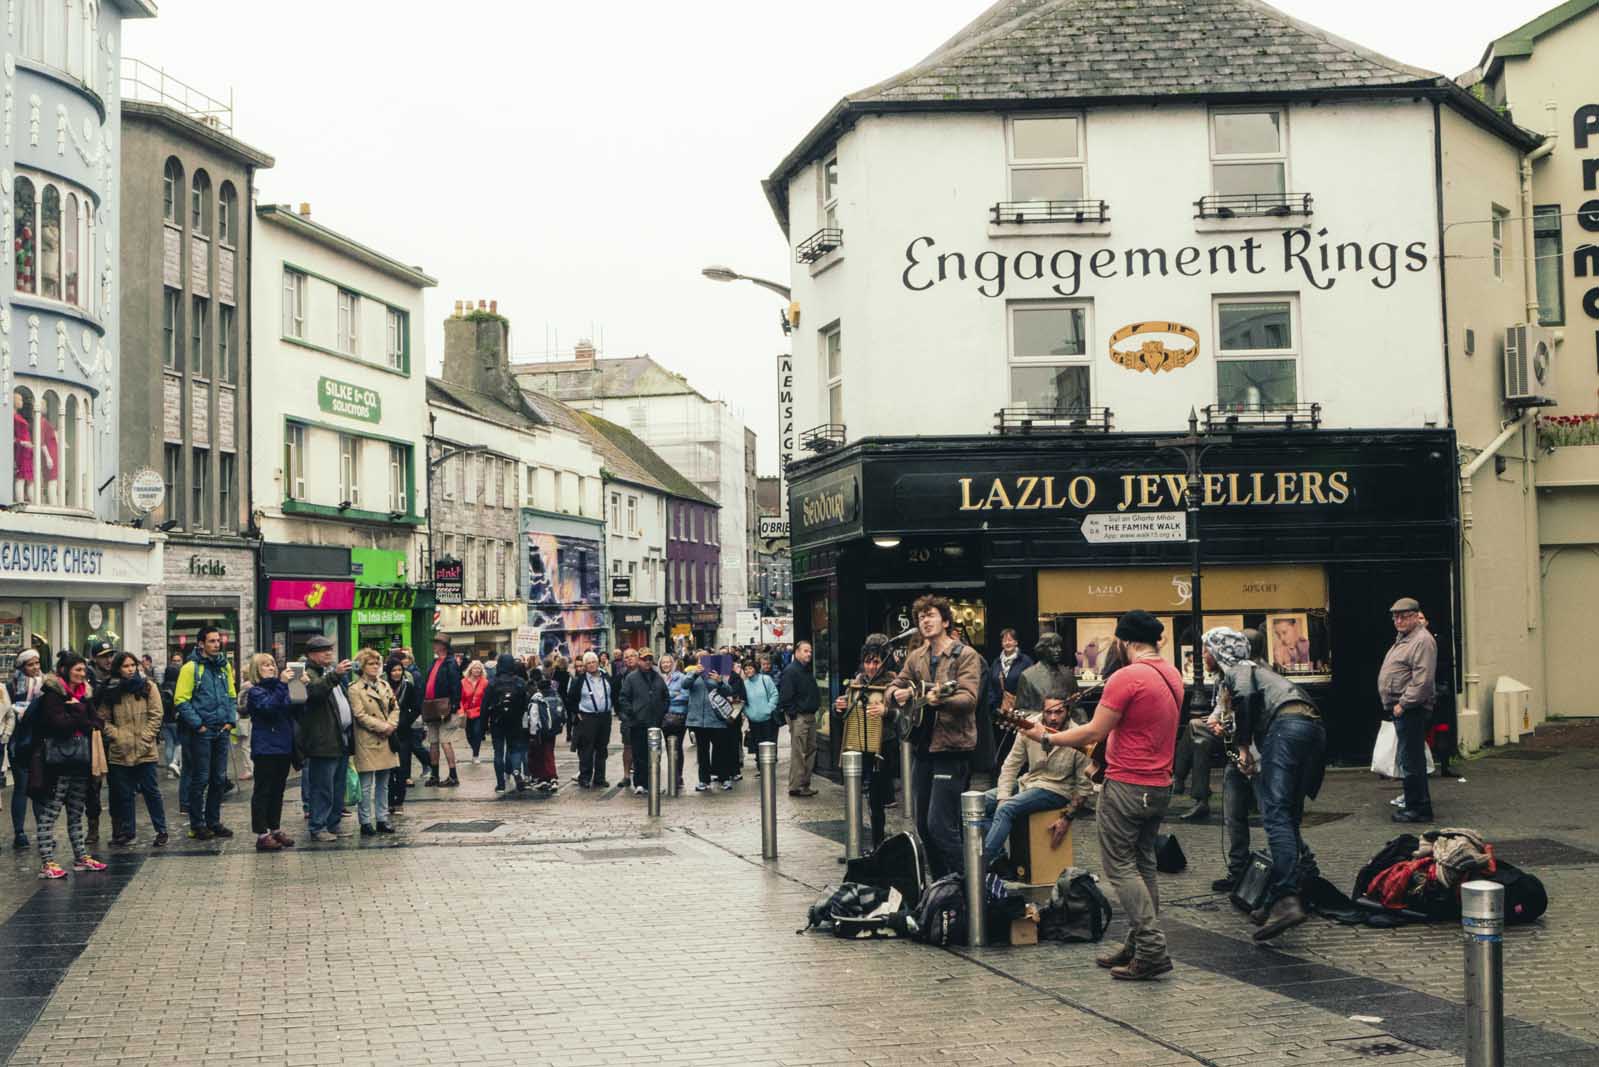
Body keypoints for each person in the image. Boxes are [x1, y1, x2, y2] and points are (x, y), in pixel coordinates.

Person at [1018, 609, 1182, 981]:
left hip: (1126, 784)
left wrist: (1047, 736)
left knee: (1121, 868)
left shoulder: (1127, 677)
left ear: (1124, 641)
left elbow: (1093, 732)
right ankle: (1138, 943)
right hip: (1159, 785)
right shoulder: (1171, 674)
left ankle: (1152, 949)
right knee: (1144, 865)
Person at [1201, 626, 1324, 940]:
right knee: (1289, 816)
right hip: (1308, 725)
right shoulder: (1249, 673)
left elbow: (1244, 696)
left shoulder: (1240, 669)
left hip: (1286, 726)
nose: (1203, 656)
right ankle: (1273, 899)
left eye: (1206, 650)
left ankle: (1285, 898)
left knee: (1276, 814)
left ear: (1219, 652)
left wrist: (1242, 746)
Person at [886, 596, 984, 877]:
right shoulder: (916, 656)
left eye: (931, 616)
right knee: (922, 826)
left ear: (945, 620)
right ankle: (944, 885)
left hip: (952, 750)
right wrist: (898, 694)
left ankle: (970, 886)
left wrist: (938, 699)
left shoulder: (964, 656)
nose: (925, 621)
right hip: (923, 748)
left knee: (941, 826)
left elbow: (969, 698)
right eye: (921, 618)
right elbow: (896, 684)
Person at [981, 681, 1092, 868]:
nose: (1053, 718)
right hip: (1028, 783)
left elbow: (1084, 785)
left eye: (1059, 712)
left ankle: (979, 868)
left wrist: (1067, 817)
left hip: (1056, 789)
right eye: (1049, 712)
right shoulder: (1029, 725)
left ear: (1068, 711)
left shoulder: (1078, 735)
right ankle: (998, 858)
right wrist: (1002, 796)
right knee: (978, 803)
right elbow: (1010, 766)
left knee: (1007, 809)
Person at [28, 653, 107, 878]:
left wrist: (78, 711)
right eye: (77, 670)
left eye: (84, 670)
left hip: (80, 762)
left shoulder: (85, 696)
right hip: (56, 764)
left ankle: (81, 857)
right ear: (64, 670)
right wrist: (80, 714)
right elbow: (58, 725)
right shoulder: (52, 696)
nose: (82, 675)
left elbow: (97, 723)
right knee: (50, 811)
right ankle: (47, 862)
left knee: (76, 811)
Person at [834, 635, 900, 848]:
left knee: (876, 799)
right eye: (868, 661)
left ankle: (878, 844)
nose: (871, 666)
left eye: (876, 661)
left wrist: (887, 711)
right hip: (859, 746)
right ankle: (855, 845)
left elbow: (905, 716)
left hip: (883, 746)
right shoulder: (857, 683)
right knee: (856, 796)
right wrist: (839, 708)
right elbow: (845, 717)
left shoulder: (893, 682)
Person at [97, 651, 168, 848]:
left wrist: (145, 738)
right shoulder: (110, 689)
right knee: (124, 794)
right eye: (125, 666)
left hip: (145, 749)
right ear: (118, 668)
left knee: (151, 792)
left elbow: (156, 715)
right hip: (120, 750)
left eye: (132, 665)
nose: (130, 669)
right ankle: (128, 832)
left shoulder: (147, 686)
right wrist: (118, 736)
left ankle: (161, 830)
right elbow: (102, 719)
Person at [174, 627, 237, 842]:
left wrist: (230, 721)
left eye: (218, 641)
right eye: (211, 641)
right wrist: (198, 725)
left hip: (221, 730)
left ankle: (213, 821)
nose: (216, 644)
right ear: (201, 643)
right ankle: (197, 824)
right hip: (201, 732)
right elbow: (181, 699)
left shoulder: (224, 666)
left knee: (218, 779)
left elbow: (231, 695)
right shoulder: (190, 667)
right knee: (200, 779)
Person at [1379, 597, 1437, 823]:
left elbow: (1422, 680)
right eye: (1395, 616)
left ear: (1415, 616)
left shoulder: (1421, 640)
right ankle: (1415, 805)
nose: (1398, 620)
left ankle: (1418, 809)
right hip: (1405, 708)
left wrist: (1403, 704)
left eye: (1403, 616)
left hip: (1411, 709)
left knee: (1412, 761)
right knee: (1409, 759)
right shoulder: (1406, 638)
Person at [298, 635, 354, 842]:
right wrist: (336, 675)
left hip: (340, 738)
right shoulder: (307, 673)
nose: (329, 653)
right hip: (322, 740)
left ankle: (333, 823)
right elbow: (314, 693)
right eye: (324, 651)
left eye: (330, 649)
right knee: (323, 787)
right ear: (311, 655)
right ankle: (318, 826)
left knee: (338, 786)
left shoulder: (331, 674)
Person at [243, 653, 296, 851]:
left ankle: (274, 827)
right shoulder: (256, 691)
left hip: (283, 746)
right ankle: (262, 833)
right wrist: (282, 685)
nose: (271, 668)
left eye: (272, 664)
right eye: (265, 665)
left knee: (277, 791)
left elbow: (295, 707)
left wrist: (299, 685)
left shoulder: (281, 688)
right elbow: (269, 708)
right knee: (263, 791)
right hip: (266, 748)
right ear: (257, 670)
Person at [349, 649, 400, 836]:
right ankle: (365, 821)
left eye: (377, 663)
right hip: (367, 739)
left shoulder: (385, 685)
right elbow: (360, 715)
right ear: (362, 666)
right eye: (371, 664)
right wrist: (382, 727)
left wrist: (391, 725)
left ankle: (382, 818)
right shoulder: (355, 688)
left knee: (384, 783)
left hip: (386, 739)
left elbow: (395, 707)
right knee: (366, 785)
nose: (375, 667)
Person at [8, 647, 45, 848]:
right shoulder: (11, 686)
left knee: (40, 787)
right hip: (19, 742)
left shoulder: (46, 684)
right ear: (22, 666)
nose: (35, 667)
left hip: (38, 743)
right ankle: (19, 832)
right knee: (21, 788)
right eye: (30, 664)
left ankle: (43, 830)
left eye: (37, 663)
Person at [683, 653, 735, 792]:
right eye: (700, 660)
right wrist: (695, 674)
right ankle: (703, 780)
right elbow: (685, 685)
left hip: (716, 719)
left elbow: (729, 691)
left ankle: (724, 778)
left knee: (720, 750)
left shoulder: (718, 672)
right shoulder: (691, 673)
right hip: (699, 721)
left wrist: (719, 681)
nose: (703, 663)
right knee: (702, 752)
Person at [621, 650, 668, 796]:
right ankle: (640, 783)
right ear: (639, 661)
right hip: (638, 723)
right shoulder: (631, 678)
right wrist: (632, 713)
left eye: (650, 659)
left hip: (654, 723)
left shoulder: (657, 677)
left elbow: (665, 697)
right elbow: (623, 698)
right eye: (644, 659)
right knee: (639, 754)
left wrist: (662, 712)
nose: (647, 661)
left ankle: (652, 783)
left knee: (654, 754)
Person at [778, 640, 821, 797]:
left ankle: (804, 784)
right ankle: (795, 786)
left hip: (809, 715)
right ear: (797, 652)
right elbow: (785, 697)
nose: (809, 654)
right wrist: (794, 715)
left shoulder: (806, 669)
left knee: (811, 750)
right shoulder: (791, 671)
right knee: (799, 752)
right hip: (799, 717)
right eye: (805, 651)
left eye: (810, 651)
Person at [385, 655, 429, 810]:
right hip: (387, 730)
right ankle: (390, 800)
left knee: (403, 766)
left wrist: (406, 720)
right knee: (389, 769)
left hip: (404, 731)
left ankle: (399, 801)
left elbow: (416, 707)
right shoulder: (384, 686)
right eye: (394, 670)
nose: (397, 673)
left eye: (399, 670)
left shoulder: (407, 686)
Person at [484, 654, 531, 793]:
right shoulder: (520, 682)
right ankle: (516, 771)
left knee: (498, 752)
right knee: (515, 749)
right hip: (515, 721)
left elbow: (485, 705)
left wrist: (483, 724)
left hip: (497, 722)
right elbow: (525, 703)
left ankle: (500, 784)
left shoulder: (492, 682)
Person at [567, 651, 614, 788]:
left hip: (604, 717)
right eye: (588, 663)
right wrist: (577, 712)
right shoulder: (579, 680)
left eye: (593, 662)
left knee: (602, 748)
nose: (591, 665)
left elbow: (614, 693)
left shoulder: (606, 676)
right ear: (585, 666)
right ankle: (585, 777)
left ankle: (600, 777)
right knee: (586, 749)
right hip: (588, 717)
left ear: (598, 662)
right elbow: (570, 698)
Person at [423, 636, 462, 787]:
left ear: (443, 646)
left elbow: (456, 686)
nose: (434, 646)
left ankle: (453, 775)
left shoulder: (450, 663)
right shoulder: (435, 662)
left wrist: (453, 707)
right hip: (431, 707)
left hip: (444, 707)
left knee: (445, 741)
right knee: (433, 742)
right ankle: (434, 774)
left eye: (436, 643)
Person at [740, 658, 779, 772]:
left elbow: (774, 694)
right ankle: (760, 768)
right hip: (753, 720)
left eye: (750, 668)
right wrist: (748, 713)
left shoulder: (765, 679)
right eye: (745, 669)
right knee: (756, 744)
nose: (748, 671)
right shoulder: (745, 684)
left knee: (769, 743)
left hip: (767, 718)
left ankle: (769, 767)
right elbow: (743, 701)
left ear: (755, 669)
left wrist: (769, 708)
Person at [660, 653, 688, 792]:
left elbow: (685, 696)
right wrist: (673, 694)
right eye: (663, 662)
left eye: (668, 662)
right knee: (669, 746)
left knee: (677, 746)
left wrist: (668, 695)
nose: (666, 665)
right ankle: (675, 775)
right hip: (664, 717)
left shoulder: (681, 677)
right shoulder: (659, 678)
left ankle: (677, 776)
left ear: (673, 664)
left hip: (679, 716)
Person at [613, 647, 639, 785]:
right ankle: (626, 775)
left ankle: (643, 774)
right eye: (626, 657)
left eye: (632, 656)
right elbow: (616, 695)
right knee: (627, 746)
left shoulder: (645, 673)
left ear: (637, 657)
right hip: (627, 717)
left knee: (643, 747)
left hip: (643, 716)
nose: (629, 659)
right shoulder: (621, 676)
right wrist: (621, 713)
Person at [460, 658, 487, 766]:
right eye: (475, 668)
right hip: (467, 713)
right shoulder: (463, 682)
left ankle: (475, 755)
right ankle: (474, 748)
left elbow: (486, 698)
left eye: (479, 669)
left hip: (479, 712)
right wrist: (461, 711)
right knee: (469, 735)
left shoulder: (485, 682)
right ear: (470, 669)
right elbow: (460, 699)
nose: (477, 670)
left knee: (477, 733)